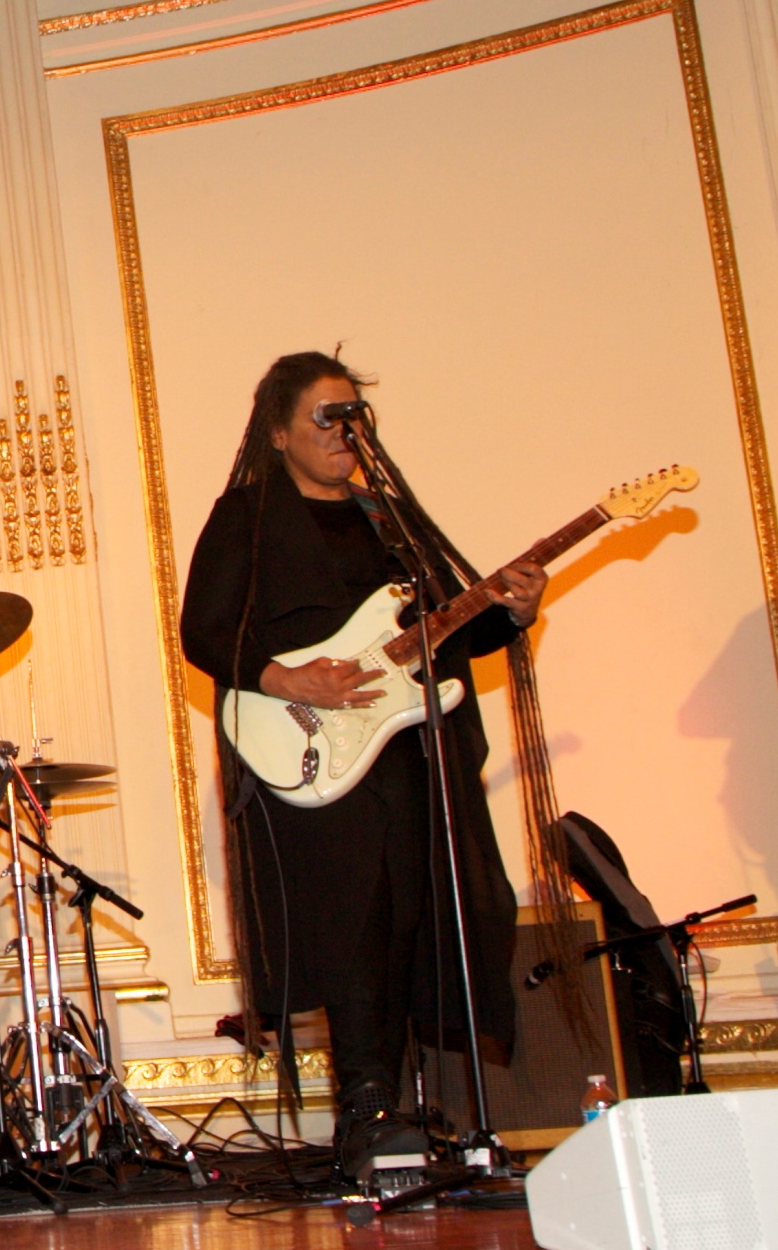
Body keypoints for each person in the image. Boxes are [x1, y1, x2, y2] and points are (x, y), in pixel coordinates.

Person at [176, 352, 541, 1176]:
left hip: (403, 751)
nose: (344, 431)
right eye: (326, 416)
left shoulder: (388, 521)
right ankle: (365, 1104)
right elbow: (204, 630)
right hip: (313, 751)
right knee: (355, 920)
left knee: (413, 910)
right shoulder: (247, 516)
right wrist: (285, 677)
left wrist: (514, 612)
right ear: (279, 432)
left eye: (354, 416)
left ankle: (400, 1109)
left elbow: (451, 628)